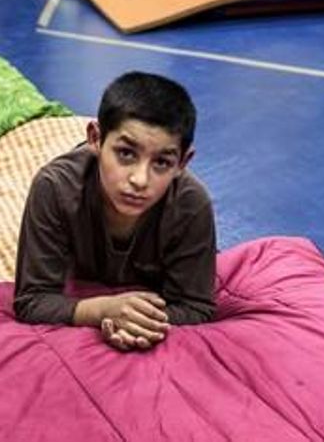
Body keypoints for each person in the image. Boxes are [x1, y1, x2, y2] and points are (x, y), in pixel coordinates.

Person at [13, 72, 217, 351]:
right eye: (126, 153)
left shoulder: (191, 204)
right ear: (95, 138)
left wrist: (134, 323)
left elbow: (197, 307)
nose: (139, 180)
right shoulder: (55, 188)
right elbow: (31, 300)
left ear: (183, 161)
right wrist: (104, 310)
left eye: (161, 163)